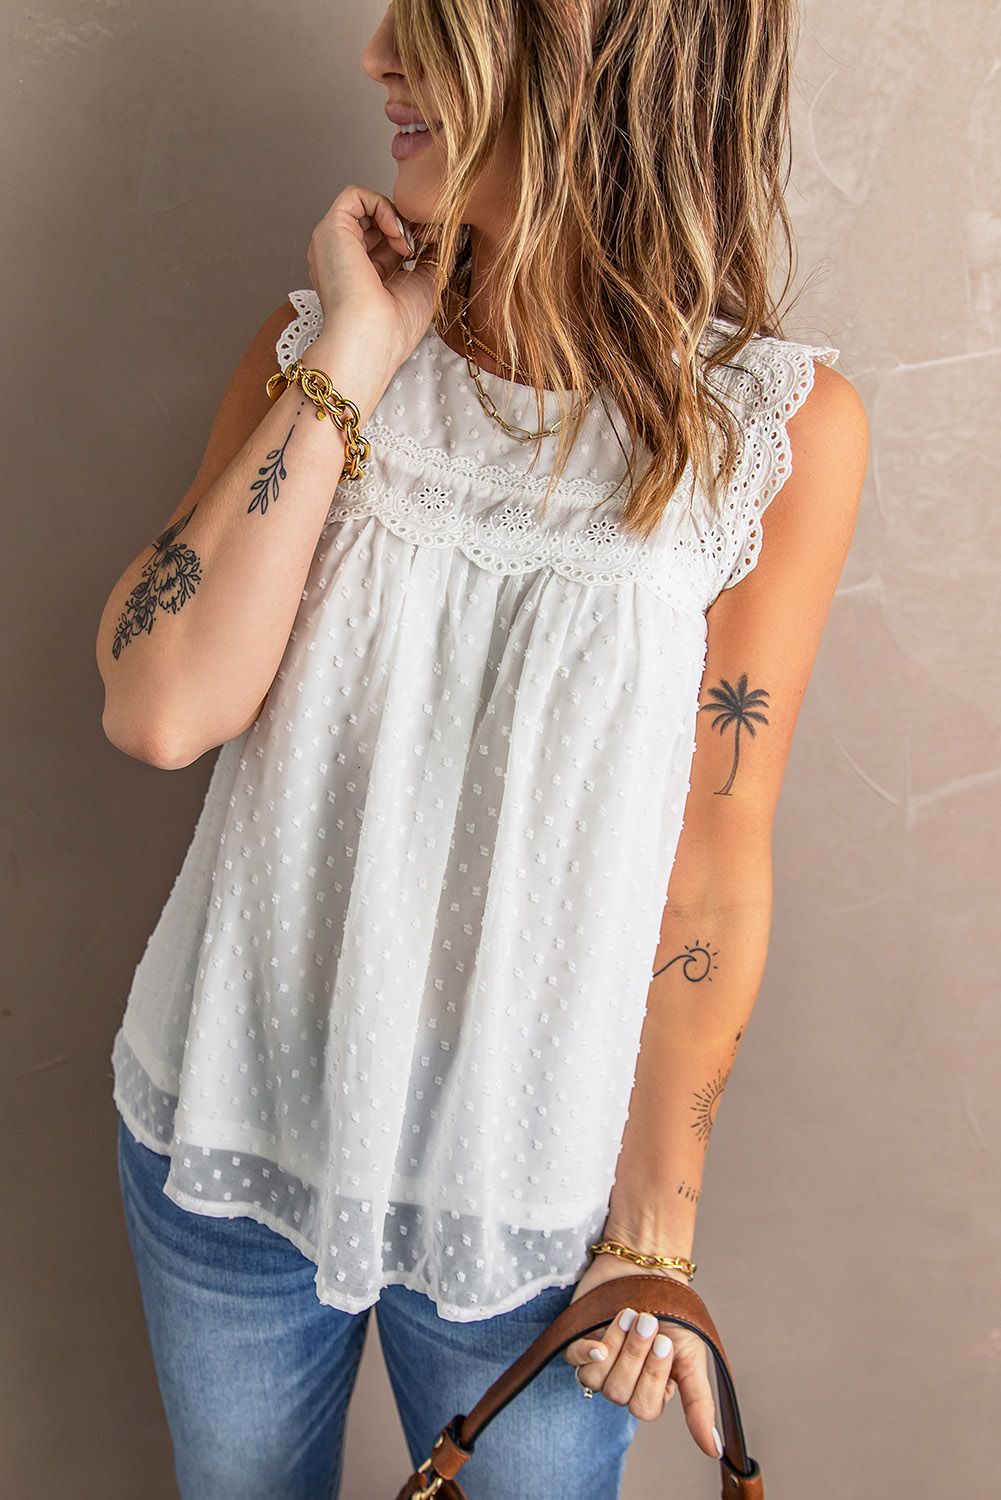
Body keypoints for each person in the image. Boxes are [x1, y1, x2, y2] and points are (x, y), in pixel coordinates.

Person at [96, 1, 868, 1496]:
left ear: (597, 49)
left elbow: (714, 865)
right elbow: (158, 706)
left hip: (530, 1192)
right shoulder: (321, 347)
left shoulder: (766, 434)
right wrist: (355, 356)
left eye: (437, 19)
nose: (377, 53)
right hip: (230, 1116)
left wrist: (654, 1233)